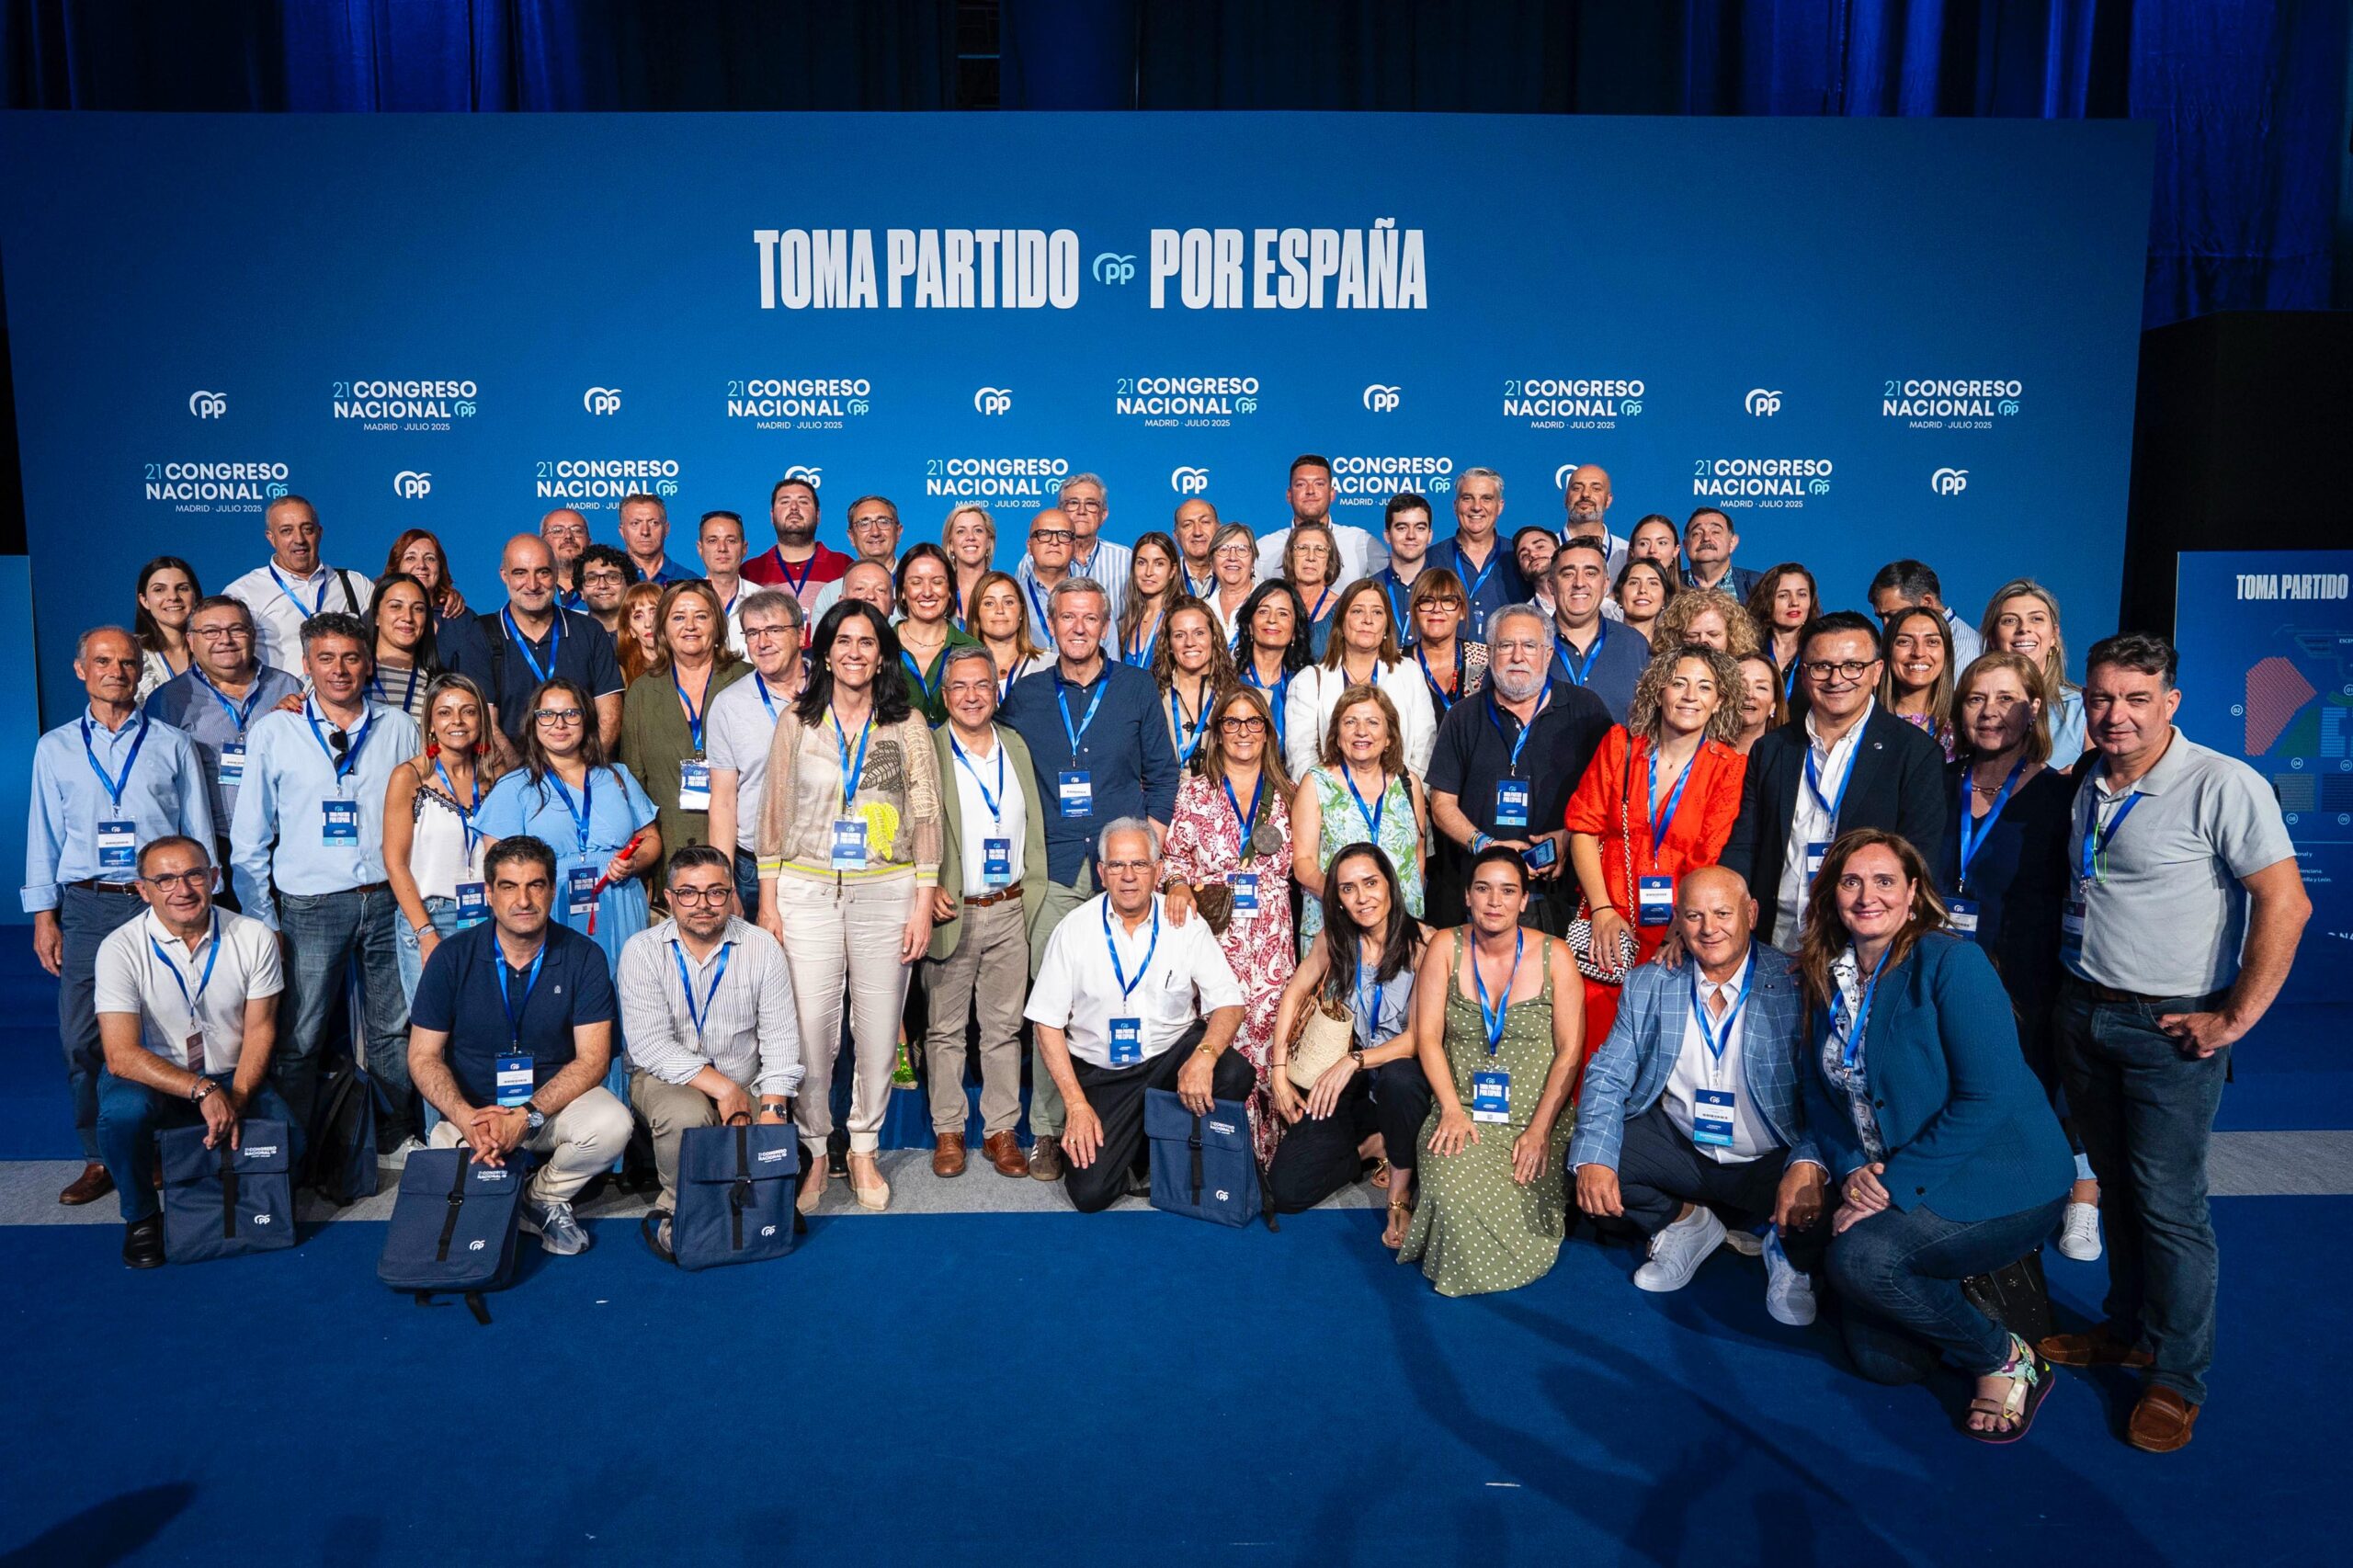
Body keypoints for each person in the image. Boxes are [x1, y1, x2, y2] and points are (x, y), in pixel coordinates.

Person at [2042, 632, 2307, 1452]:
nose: (2115, 715)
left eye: (2135, 699)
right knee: (2114, 1187)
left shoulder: (2223, 782)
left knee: (2170, 1206)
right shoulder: (2089, 781)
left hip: (2171, 1029)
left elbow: (2286, 904)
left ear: (2172, 703)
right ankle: (2127, 1328)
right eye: (2101, 698)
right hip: (2085, 1011)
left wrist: (2232, 1019)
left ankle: (2176, 1380)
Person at [1797, 829, 2075, 1441]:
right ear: (1831, 894)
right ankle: (1972, 1281)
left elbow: (1991, 1096)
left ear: (1914, 892)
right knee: (1887, 1364)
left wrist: (1889, 1188)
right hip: (1891, 1173)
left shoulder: (1951, 962)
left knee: (1862, 1260)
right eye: (1850, 881)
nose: (1867, 896)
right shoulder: (1825, 975)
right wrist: (1850, 1170)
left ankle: (2005, 1357)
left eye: (1884, 881)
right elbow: (1821, 1095)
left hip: (2001, 1176)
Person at [1570, 866, 1825, 1323]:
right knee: (1595, 1152)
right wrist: (1594, 1158)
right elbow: (1608, 1074)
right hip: (1683, 1153)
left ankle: (1786, 1249)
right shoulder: (1650, 982)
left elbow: (1825, 1096)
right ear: (1678, 921)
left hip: (1769, 1162)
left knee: (1831, 1189)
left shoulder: (1795, 984)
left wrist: (1808, 1161)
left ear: (1751, 912)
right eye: (1693, 916)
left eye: (1723, 913)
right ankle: (1686, 1222)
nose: (1709, 929)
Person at [754, 599, 943, 1212]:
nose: (855, 653)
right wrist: (770, 903)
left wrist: (921, 902)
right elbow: (774, 814)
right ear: (825, 651)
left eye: (867, 642)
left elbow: (926, 814)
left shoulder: (907, 724)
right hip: (807, 892)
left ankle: (862, 1144)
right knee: (812, 1033)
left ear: (881, 654)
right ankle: (814, 1147)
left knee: (880, 1030)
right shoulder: (796, 723)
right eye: (844, 641)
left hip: (886, 891)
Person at [27, 626, 217, 1204]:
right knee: (81, 1039)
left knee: (173, 1031)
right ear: (81, 670)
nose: (116, 671)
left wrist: (207, 898)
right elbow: (44, 833)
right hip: (87, 904)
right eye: (103, 661)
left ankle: (158, 1146)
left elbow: (197, 829)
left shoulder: (171, 743)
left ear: (142, 672)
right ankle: (99, 1157)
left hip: (162, 904)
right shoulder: (54, 748)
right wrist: (44, 915)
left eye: (128, 662)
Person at [1000, 577, 1180, 1179]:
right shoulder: (1023, 696)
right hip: (1051, 868)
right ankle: (1050, 1132)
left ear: (1106, 625)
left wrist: (1146, 856)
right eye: (1067, 618)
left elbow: (1163, 774)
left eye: (1090, 618)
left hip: (1123, 873)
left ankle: (1130, 1126)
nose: (1078, 628)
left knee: (1131, 991)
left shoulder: (1133, 690)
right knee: (1053, 1004)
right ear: (1051, 624)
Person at [229, 611, 423, 1153]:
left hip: (388, 899)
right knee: (301, 1033)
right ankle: (295, 1146)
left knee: (392, 1026)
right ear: (307, 665)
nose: (340, 670)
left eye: (352, 658)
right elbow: (249, 838)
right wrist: (263, 921)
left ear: (368, 664)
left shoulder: (400, 728)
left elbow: (423, 816)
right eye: (326, 658)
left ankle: (391, 1133)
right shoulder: (274, 730)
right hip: (311, 905)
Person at [1936, 652, 2097, 1256]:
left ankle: (2050, 1201)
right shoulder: (1937, 780)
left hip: (2023, 975)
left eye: (2006, 699)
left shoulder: (2060, 793)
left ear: (2034, 708)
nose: (1990, 712)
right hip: (1942, 971)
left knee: (2023, 1095)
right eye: (1977, 698)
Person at [407, 835, 635, 1257]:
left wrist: (526, 1116)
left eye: (535, 885)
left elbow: (593, 1060)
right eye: (509, 886)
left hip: (548, 1109)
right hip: (474, 1115)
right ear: (489, 894)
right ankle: (501, 1191)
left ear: (551, 890)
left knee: (613, 1123)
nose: (524, 900)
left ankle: (542, 1197)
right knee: (451, 1164)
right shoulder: (451, 957)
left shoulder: (584, 956)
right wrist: (464, 1116)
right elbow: (422, 1056)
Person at [1024, 819, 1255, 1214]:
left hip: (1169, 1058)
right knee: (1090, 1194)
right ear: (1101, 872)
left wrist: (1204, 1056)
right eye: (1116, 865)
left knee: (1233, 1072)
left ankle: (1168, 1149)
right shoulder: (1073, 931)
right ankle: (1143, 1149)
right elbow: (1046, 1023)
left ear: (1158, 870)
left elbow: (1229, 1003)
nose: (1128, 877)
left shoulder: (1185, 924)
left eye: (1139, 865)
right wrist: (1076, 1105)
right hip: (1105, 1074)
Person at [93, 835, 298, 1267]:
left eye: (193, 875)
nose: (182, 890)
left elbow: (260, 1030)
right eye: (164, 880)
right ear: (143, 889)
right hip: (153, 1076)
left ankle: (214, 1189)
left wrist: (236, 1100)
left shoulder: (253, 936)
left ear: (215, 879)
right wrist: (202, 1091)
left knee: (292, 1143)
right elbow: (121, 1055)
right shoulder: (119, 948)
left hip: (230, 1075)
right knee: (121, 1116)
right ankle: (142, 1216)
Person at [1399, 846, 1585, 1295]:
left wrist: (1540, 1130)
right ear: (1467, 896)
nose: (1494, 901)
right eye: (1483, 889)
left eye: (1508, 891)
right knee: (1449, 1191)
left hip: (1534, 1117)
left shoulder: (1555, 955)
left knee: (1519, 1196)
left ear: (1525, 900)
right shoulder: (1445, 946)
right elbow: (1427, 1038)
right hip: (1460, 1107)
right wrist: (1449, 1109)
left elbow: (1570, 1051)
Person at [617, 845, 803, 1257]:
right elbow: (650, 1045)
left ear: (732, 894)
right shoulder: (642, 951)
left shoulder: (762, 947)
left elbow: (780, 1039)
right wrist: (722, 1090)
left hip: (745, 1079)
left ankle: (747, 1216)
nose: (702, 904)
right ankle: (676, 1211)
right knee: (688, 1115)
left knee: (772, 1136)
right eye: (688, 893)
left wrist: (772, 1108)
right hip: (665, 1079)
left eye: (715, 892)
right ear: (668, 898)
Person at [1721, 611, 1947, 951]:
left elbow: (1918, 858)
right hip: (1773, 941)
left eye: (1853, 666)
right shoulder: (1772, 748)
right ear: (1805, 673)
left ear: (1877, 672)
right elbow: (1746, 844)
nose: (1836, 678)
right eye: (1821, 666)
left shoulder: (1914, 752)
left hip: (1861, 945)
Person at [1564, 642, 1749, 1052]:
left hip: (1677, 931)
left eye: (1704, 688)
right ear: (1659, 690)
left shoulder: (1727, 768)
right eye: (1679, 683)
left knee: (1656, 1049)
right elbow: (1583, 828)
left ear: (1718, 702)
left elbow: (1709, 857)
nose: (1690, 696)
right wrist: (1602, 910)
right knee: (1591, 1044)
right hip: (1608, 922)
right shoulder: (1620, 746)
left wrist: (1679, 931)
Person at [923, 646, 1049, 1178]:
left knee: (1003, 1029)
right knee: (945, 1030)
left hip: (1011, 908)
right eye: (959, 688)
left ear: (996, 691)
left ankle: (1001, 1130)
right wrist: (921, 885)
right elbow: (903, 824)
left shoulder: (1015, 745)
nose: (971, 697)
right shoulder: (928, 750)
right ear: (944, 695)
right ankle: (949, 1131)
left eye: (981, 686)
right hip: (951, 910)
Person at [1267, 844, 1432, 1244]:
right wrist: (1279, 1071)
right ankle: (1373, 1145)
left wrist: (1355, 1061)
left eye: (1371, 883)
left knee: (1398, 1078)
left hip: (1402, 1078)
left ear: (1390, 885)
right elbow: (1292, 993)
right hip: (1352, 1083)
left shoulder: (1426, 944)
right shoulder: (1336, 938)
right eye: (1347, 889)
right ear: (1337, 898)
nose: (1362, 898)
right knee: (1287, 1191)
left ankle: (1399, 1193)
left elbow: (1419, 1038)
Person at [1161, 685, 1296, 1163]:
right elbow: (1173, 856)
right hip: (1212, 938)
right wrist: (1177, 882)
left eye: (1253, 722)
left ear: (1267, 731)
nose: (1243, 732)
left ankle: (1266, 1157)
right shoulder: (1194, 791)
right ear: (1216, 733)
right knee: (1220, 1039)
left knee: (1269, 1039)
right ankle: (1216, 1152)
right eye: (1232, 723)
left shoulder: (1289, 794)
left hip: (1271, 940)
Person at [1425, 603, 1611, 932]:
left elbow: (1612, 799)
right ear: (1490, 652)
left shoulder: (1587, 710)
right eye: (1506, 646)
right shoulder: (1462, 716)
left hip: (1562, 894)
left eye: (1529, 646)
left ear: (1548, 653)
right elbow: (1441, 804)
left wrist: (1569, 838)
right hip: (1482, 900)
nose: (1517, 656)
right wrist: (1486, 846)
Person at [473, 675, 662, 978]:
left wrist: (633, 862)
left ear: (585, 719)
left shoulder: (618, 776)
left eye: (570, 714)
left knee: (629, 998)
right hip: (553, 909)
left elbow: (650, 838)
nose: (559, 724)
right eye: (547, 714)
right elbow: (499, 868)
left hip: (621, 902)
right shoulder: (513, 787)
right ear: (533, 723)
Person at [143, 596, 302, 872]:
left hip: (285, 840)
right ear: (191, 640)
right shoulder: (168, 700)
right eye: (211, 632)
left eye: (236, 629)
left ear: (252, 635)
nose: (225, 639)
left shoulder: (287, 686)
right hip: (216, 844)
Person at [438, 534, 626, 757]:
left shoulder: (589, 631)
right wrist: (524, 782)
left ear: (556, 573)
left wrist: (582, 777)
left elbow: (610, 716)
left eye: (543, 572)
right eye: (520, 573)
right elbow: (486, 722)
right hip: (513, 778)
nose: (533, 584)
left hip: (583, 777)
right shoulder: (480, 634)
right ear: (504, 576)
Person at [619, 581, 749, 891]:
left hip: (743, 852)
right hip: (671, 850)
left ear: (718, 624)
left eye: (701, 616)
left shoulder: (745, 679)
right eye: (678, 617)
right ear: (663, 628)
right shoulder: (643, 691)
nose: (690, 626)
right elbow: (634, 783)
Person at [384, 674, 506, 1006]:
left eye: (468, 711)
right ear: (431, 723)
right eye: (445, 712)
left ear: (481, 720)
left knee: (483, 1026)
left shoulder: (495, 779)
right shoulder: (410, 776)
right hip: (431, 914)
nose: (457, 721)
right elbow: (394, 863)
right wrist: (425, 933)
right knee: (434, 1031)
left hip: (487, 915)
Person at [1293, 684, 1427, 953]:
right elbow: (1303, 864)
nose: (1361, 731)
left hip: (1399, 929)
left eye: (1372, 722)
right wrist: (1347, 901)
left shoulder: (1408, 783)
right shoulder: (1316, 783)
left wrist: (1396, 910)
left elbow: (1417, 855)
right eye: (1350, 722)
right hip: (1335, 928)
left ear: (1389, 736)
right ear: (1337, 734)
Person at [704, 589, 803, 916]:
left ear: (801, 634)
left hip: (819, 862)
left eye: (774, 630)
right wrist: (724, 880)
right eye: (752, 633)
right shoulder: (728, 705)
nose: (763, 642)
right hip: (752, 867)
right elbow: (723, 800)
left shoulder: (831, 690)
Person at [1284, 578, 1438, 783]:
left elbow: (1423, 749)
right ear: (1341, 622)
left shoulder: (1410, 673)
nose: (1368, 619)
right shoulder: (1309, 682)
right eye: (1357, 611)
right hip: (1330, 806)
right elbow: (1301, 756)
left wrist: (1402, 797)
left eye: (1377, 612)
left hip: (1399, 802)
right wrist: (1335, 799)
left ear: (1386, 626)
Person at [224, 494, 374, 676]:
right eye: (287, 531)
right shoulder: (243, 593)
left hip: (344, 698)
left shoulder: (355, 584)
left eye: (307, 529)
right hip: (278, 702)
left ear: (319, 533)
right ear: (271, 538)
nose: (299, 539)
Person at [1981, 578, 2087, 764]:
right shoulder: (1974, 707)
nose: (2024, 629)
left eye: (2036, 619)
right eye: (2010, 620)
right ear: (1992, 638)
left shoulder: (2081, 710)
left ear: (2054, 635)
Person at [1546, 540, 1651, 724]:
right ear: (1551, 585)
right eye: (1568, 574)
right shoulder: (1526, 645)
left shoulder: (1634, 645)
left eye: (1590, 573)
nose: (1579, 583)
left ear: (1605, 584)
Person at [1251, 454, 1386, 587]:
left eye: (1319, 484)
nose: (1310, 491)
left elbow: (1389, 591)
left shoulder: (1360, 541)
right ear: (1289, 495)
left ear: (1332, 493)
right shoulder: (1264, 548)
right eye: (1301, 485)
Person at [1427, 467, 1523, 642]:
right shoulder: (1431, 559)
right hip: (1447, 667)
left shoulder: (1519, 557)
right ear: (1455, 506)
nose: (1476, 507)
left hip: (1508, 665)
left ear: (1500, 506)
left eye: (1486, 498)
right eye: (1467, 498)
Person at [893, 542, 981, 723]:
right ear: (902, 591)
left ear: (950, 591)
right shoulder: (882, 646)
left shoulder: (973, 649)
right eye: (916, 582)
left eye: (937, 582)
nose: (927, 592)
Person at [1148, 597, 1236, 777]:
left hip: (1222, 795)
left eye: (1199, 633)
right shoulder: (1153, 694)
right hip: (1168, 795)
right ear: (1169, 645)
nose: (1190, 642)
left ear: (1214, 637)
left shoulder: (1234, 693)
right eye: (1179, 635)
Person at [742, 473, 852, 610]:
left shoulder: (844, 565)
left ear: (818, 515)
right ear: (772, 516)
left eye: (803, 502)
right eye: (785, 502)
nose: (794, 507)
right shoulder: (750, 571)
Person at [1233, 579, 1313, 761]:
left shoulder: (1305, 684)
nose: (1272, 620)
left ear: (1294, 631)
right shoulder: (1228, 680)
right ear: (1250, 626)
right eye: (1263, 611)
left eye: (1283, 614)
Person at [807, 494, 907, 622]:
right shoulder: (831, 593)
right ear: (851, 537)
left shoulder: (917, 589)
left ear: (898, 532)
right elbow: (822, 642)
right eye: (864, 524)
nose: (875, 532)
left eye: (884, 522)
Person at [1870, 559, 1985, 668]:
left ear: (1927, 602)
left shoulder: (1967, 652)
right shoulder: (1889, 643)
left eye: (1893, 615)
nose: (1886, 625)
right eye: (1881, 617)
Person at [1406, 569, 1486, 720]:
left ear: (1462, 611)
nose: (1437, 609)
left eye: (1448, 601)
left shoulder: (1485, 661)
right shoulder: (1394, 664)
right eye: (1427, 601)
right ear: (1415, 611)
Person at [1880, 605, 1956, 758]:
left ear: (1946, 653)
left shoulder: (1963, 726)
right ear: (1888, 652)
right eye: (1905, 642)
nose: (1919, 652)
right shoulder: (1866, 724)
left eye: (1932, 642)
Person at [364, 571, 439, 723]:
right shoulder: (349, 676)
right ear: (376, 616)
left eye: (418, 609)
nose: (408, 617)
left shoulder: (439, 685)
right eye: (396, 606)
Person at [967, 569, 1052, 699]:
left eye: (1008, 602)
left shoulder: (1050, 665)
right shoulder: (961, 669)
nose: (999, 610)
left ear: (1021, 611)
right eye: (989, 603)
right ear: (977, 614)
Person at [1058, 473, 1131, 624]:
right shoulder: (1035, 560)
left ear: (1103, 515)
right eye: (1073, 503)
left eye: (1091, 504)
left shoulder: (1125, 559)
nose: (1081, 511)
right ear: (1061, 512)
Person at [131, 556, 199, 702]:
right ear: (144, 600)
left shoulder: (216, 647)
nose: (173, 597)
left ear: (195, 596)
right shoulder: (131, 652)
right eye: (159, 590)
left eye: (182, 588)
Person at [1747, 563, 1817, 700]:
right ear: (1766, 600)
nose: (1794, 602)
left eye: (1802, 594)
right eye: (1783, 596)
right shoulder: (1750, 649)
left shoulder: (1819, 650)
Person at [1372, 491, 1435, 642]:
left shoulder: (1445, 588)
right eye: (1402, 528)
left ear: (1430, 535)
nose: (1411, 535)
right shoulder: (1370, 589)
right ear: (1387, 535)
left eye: (1420, 528)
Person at [1013, 507, 1077, 646]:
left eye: (1064, 535)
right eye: (1043, 534)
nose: (1054, 542)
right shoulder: (1011, 597)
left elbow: (1112, 663)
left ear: (1074, 547)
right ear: (1029, 547)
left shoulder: (1094, 599)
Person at [1117, 530, 1180, 669]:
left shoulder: (1181, 617)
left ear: (1172, 570)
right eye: (1141, 562)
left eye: (1159, 564)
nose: (1148, 572)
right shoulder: (1127, 622)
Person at [1560, 462, 1631, 580]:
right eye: (1577, 488)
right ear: (1566, 498)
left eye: (1596, 489)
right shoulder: (1544, 553)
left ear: (1608, 500)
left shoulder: (1626, 554)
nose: (1585, 494)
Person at [695, 509, 752, 653]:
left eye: (731, 541)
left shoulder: (763, 600)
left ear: (744, 549)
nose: (722, 548)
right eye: (713, 541)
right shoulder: (685, 602)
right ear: (700, 548)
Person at [1285, 521, 1345, 658]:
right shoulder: (1275, 604)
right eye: (1302, 548)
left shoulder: (1343, 609)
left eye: (1320, 550)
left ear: (1329, 560)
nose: (1310, 557)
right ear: (1291, 556)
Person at [1654, 584, 1761, 658]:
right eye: (1692, 635)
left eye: (1713, 634)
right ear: (1676, 637)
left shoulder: (1746, 678)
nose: (1703, 641)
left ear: (1732, 636)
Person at [389, 528, 470, 624]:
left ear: (440, 568)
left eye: (430, 558)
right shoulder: (378, 616)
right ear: (396, 567)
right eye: (410, 558)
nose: (421, 565)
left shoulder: (463, 621)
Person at [617, 491, 696, 585]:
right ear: (622, 531)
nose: (645, 532)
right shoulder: (610, 581)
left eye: (654, 523)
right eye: (635, 523)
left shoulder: (690, 581)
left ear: (666, 529)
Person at [1680, 508, 1760, 600]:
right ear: (1685, 545)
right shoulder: (1668, 586)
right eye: (1697, 533)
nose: (1706, 538)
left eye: (1715, 532)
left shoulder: (1758, 584)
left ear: (1732, 543)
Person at [571, 544, 640, 642]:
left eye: (612, 577)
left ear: (629, 586)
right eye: (592, 579)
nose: (602, 585)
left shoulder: (648, 633)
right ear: (581, 591)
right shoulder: (570, 638)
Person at [1205, 521, 1259, 645]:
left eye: (1242, 549)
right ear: (1212, 563)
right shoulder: (1203, 610)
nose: (1232, 557)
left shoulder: (1267, 604)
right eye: (1223, 549)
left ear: (1253, 561)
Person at [942, 502, 997, 619]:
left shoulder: (1002, 588)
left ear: (988, 541)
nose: (970, 537)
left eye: (978, 530)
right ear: (951, 544)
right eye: (961, 531)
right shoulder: (939, 590)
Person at [1611, 558, 1675, 647]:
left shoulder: (1675, 651)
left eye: (1653, 583)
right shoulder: (1602, 645)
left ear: (1665, 598)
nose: (1642, 590)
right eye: (1634, 583)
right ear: (1619, 594)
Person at [615, 580, 667, 685]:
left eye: (654, 612)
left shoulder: (688, 666)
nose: (648, 624)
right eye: (638, 616)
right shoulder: (619, 673)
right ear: (631, 630)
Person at [1733, 653, 1783, 755]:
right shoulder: (1704, 750)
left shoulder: (1783, 758)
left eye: (1761, 687)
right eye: (1740, 685)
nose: (1749, 694)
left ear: (1774, 704)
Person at [539, 508, 590, 608]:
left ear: (589, 542)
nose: (568, 536)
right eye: (557, 531)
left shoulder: (606, 591)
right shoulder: (530, 591)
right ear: (542, 544)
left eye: (577, 530)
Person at [1172, 497, 1221, 599]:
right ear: (1176, 536)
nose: (1197, 532)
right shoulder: (1166, 578)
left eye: (1205, 522)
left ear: (1219, 529)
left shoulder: (1239, 575)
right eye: (1187, 525)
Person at [1515, 527, 1560, 616]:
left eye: (1540, 547)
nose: (1532, 554)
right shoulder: (1522, 618)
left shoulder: (1590, 600)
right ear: (1523, 573)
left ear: (1560, 552)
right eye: (1524, 555)